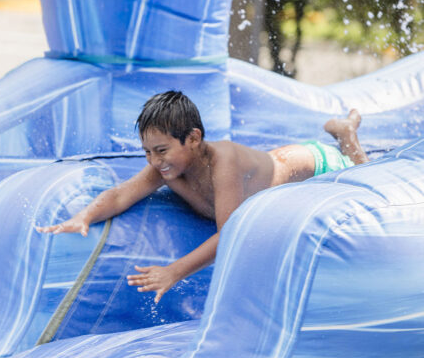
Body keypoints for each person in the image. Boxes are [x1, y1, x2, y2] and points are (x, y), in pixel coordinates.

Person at [36, 91, 368, 303]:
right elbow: (123, 194)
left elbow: (231, 234)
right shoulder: (167, 168)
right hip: (271, 167)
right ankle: (344, 133)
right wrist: (84, 217)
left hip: (314, 164)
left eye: (162, 150)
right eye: (148, 152)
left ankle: (346, 133)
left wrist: (174, 271)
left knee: (365, 172)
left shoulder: (222, 163)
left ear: (193, 138)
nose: (154, 161)